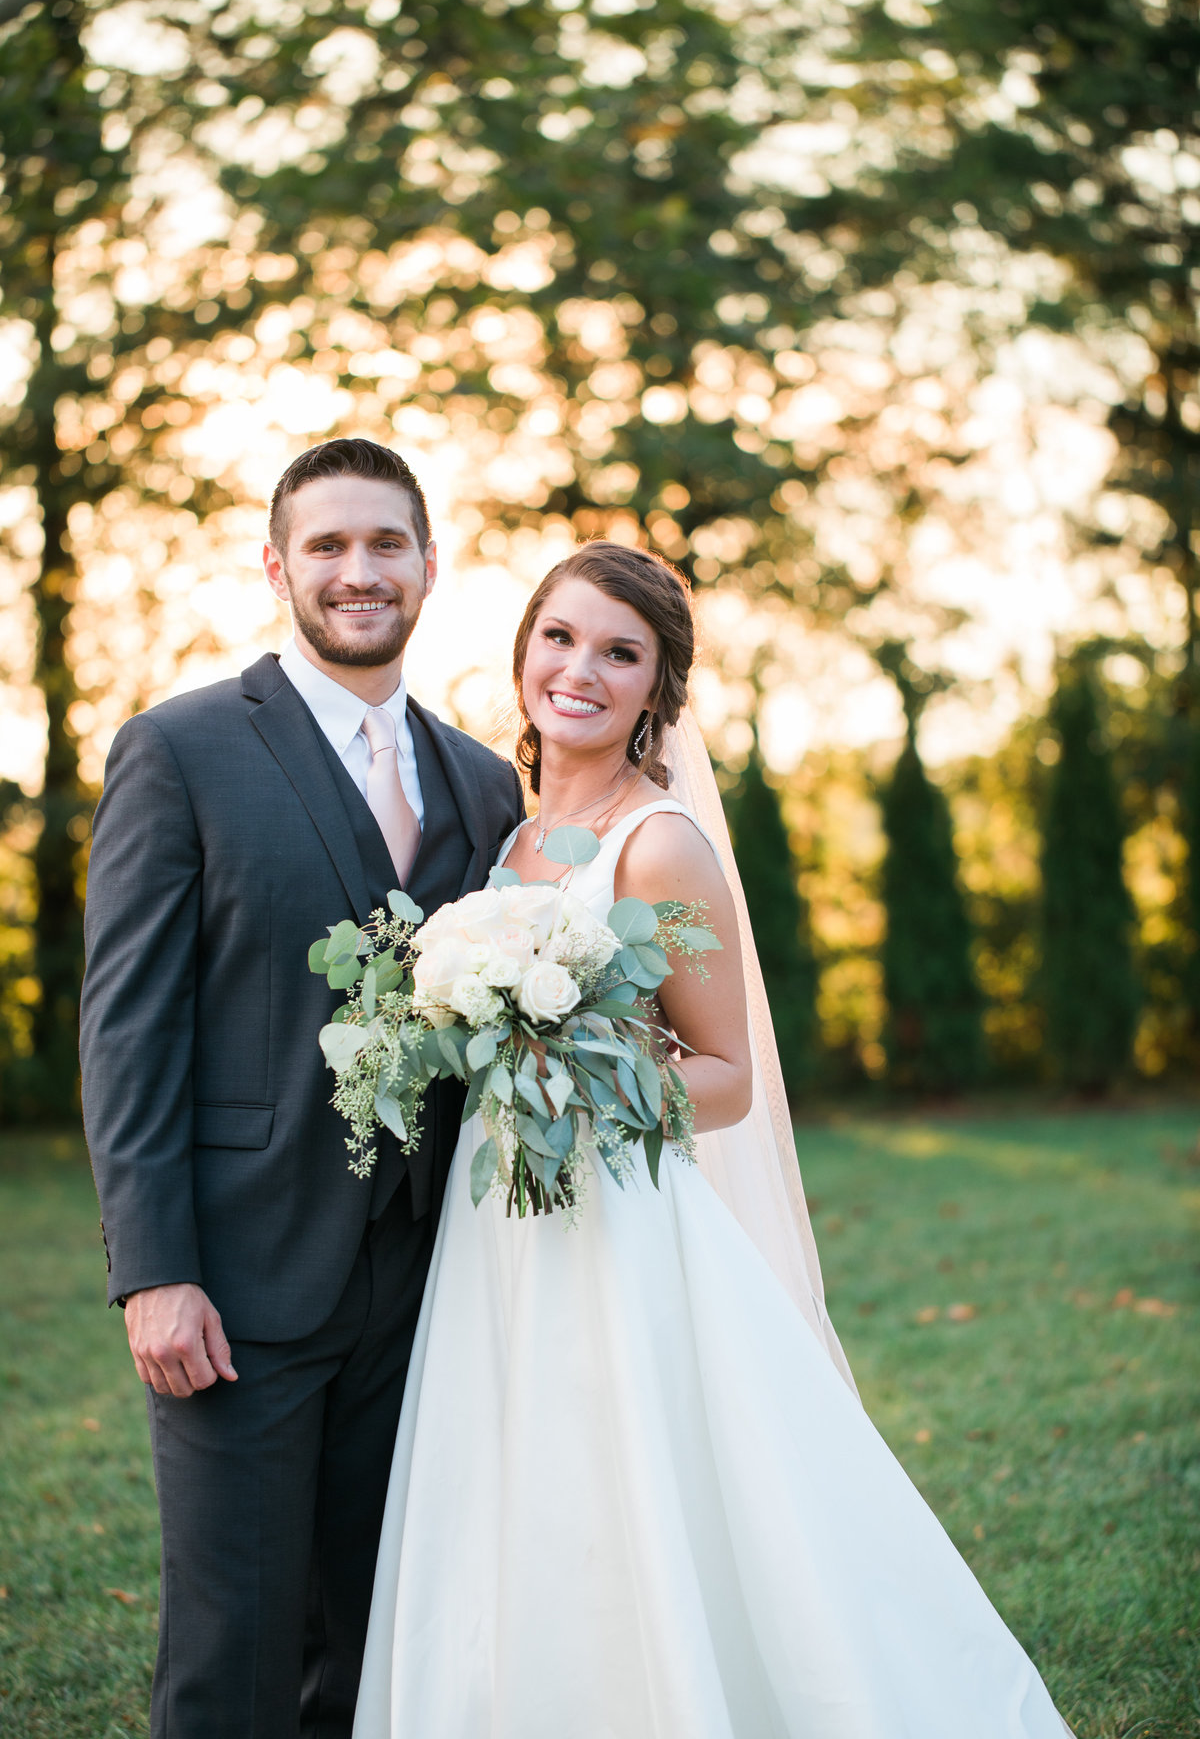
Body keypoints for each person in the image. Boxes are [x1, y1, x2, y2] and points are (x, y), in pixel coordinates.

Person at [352, 542, 1074, 1738]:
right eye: (561, 637)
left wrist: (575, 1064)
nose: (580, 669)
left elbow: (729, 1078)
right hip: (501, 1226)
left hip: (620, 1227)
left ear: (656, 694)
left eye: (620, 654)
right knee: (520, 1493)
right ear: (525, 649)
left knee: (638, 1487)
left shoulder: (661, 842)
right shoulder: (514, 837)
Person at [79, 437, 525, 1739]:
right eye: (327, 544)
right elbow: (127, 1029)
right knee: (235, 1648)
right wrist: (153, 1269)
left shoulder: (482, 780)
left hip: (429, 1291)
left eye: (386, 542)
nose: (358, 569)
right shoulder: (182, 750)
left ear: (430, 567)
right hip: (239, 1286)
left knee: (377, 1637)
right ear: (276, 566)